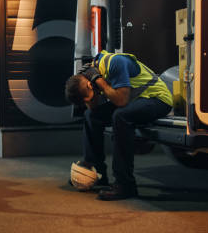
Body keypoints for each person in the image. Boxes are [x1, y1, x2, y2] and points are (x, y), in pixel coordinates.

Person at [65, 50, 173, 200]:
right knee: (91, 115)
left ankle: (125, 184)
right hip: (135, 101)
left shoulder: (115, 63)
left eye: (88, 98)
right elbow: (94, 107)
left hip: (157, 99)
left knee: (120, 116)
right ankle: (94, 171)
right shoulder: (92, 74)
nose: (90, 101)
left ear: (89, 85)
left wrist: (99, 81)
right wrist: (92, 96)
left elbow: (121, 101)